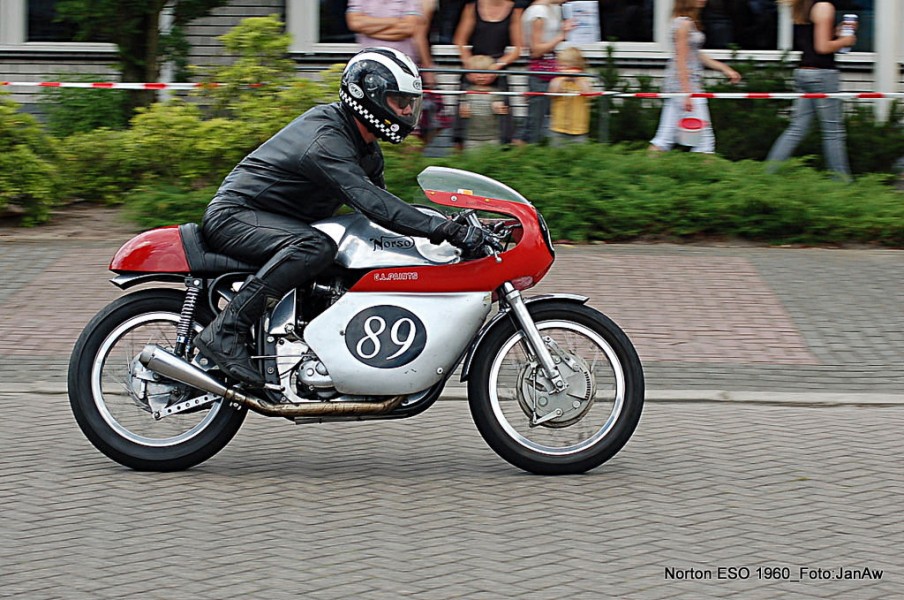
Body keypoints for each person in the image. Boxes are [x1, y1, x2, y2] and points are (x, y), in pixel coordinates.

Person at [194, 48, 493, 387]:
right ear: (367, 96)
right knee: (314, 248)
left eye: (411, 102)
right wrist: (445, 229)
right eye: (399, 101)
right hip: (235, 216)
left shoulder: (365, 148)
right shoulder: (326, 139)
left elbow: (387, 211)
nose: (409, 111)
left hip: (275, 222)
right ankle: (226, 330)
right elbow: (371, 203)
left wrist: (458, 225)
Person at [765, 0, 856, 180]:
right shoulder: (824, 7)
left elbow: (811, 39)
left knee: (797, 128)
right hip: (822, 74)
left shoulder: (803, 7)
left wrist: (836, 33)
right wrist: (847, 40)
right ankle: (842, 182)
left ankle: (767, 174)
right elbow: (822, 47)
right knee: (833, 132)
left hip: (804, 73)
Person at [648, 0, 741, 154]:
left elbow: (695, 54)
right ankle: (706, 175)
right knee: (705, 141)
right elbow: (681, 60)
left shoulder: (686, 22)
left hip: (681, 86)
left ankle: (641, 171)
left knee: (664, 139)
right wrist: (687, 93)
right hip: (686, 86)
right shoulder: (683, 25)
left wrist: (724, 68)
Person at [452, 0, 523, 150]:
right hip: (473, 65)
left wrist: (496, 67)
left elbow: (518, 48)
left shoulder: (514, 9)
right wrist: (470, 66)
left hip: (497, 68)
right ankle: (459, 156)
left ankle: (501, 155)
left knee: (503, 114)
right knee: (463, 113)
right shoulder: (472, 6)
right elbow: (460, 41)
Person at [517, 0, 574, 145]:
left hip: (551, 71)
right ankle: (528, 153)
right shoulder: (538, 12)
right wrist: (561, 36)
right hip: (540, 73)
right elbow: (536, 50)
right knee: (535, 122)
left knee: (547, 121)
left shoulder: (552, 9)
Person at [346, 0, 423, 64]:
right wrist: (394, 21)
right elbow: (355, 23)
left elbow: (409, 28)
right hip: (369, 62)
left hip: (402, 64)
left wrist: (368, 31)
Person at [459, 55, 509, 150]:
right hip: (471, 137)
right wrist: (464, 110)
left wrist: (500, 109)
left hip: (492, 136)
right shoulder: (466, 92)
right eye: (477, 72)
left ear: (494, 74)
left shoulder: (496, 92)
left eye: (485, 72)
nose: (481, 76)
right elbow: (463, 110)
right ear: (468, 75)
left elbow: (497, 105)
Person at [547, 46, 592, 146]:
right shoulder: (557, 80)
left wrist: (577, 78)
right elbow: (552, 94)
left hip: (579, 129)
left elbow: (590, 95)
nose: (560, 69)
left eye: (564, 66)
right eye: (559, 66)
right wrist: (562, 78)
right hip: (559, 128)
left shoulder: (583, 81)